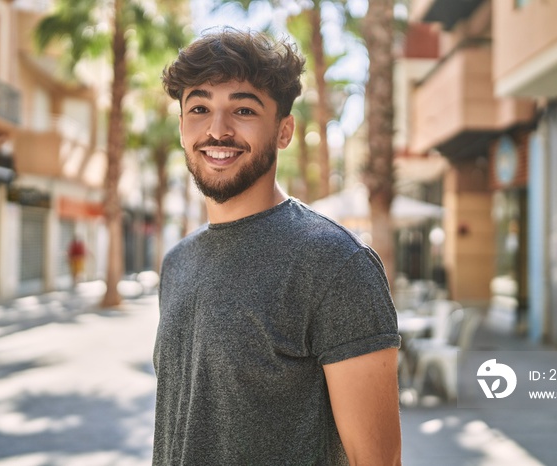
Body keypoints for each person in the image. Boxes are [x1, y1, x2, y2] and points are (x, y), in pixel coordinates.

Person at [154, 27, 402, 465]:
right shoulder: (177, 262)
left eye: (243, 109)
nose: (217, 129)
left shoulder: (335, 263)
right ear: (181, 127)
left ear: (284, 131)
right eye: (199, 108)